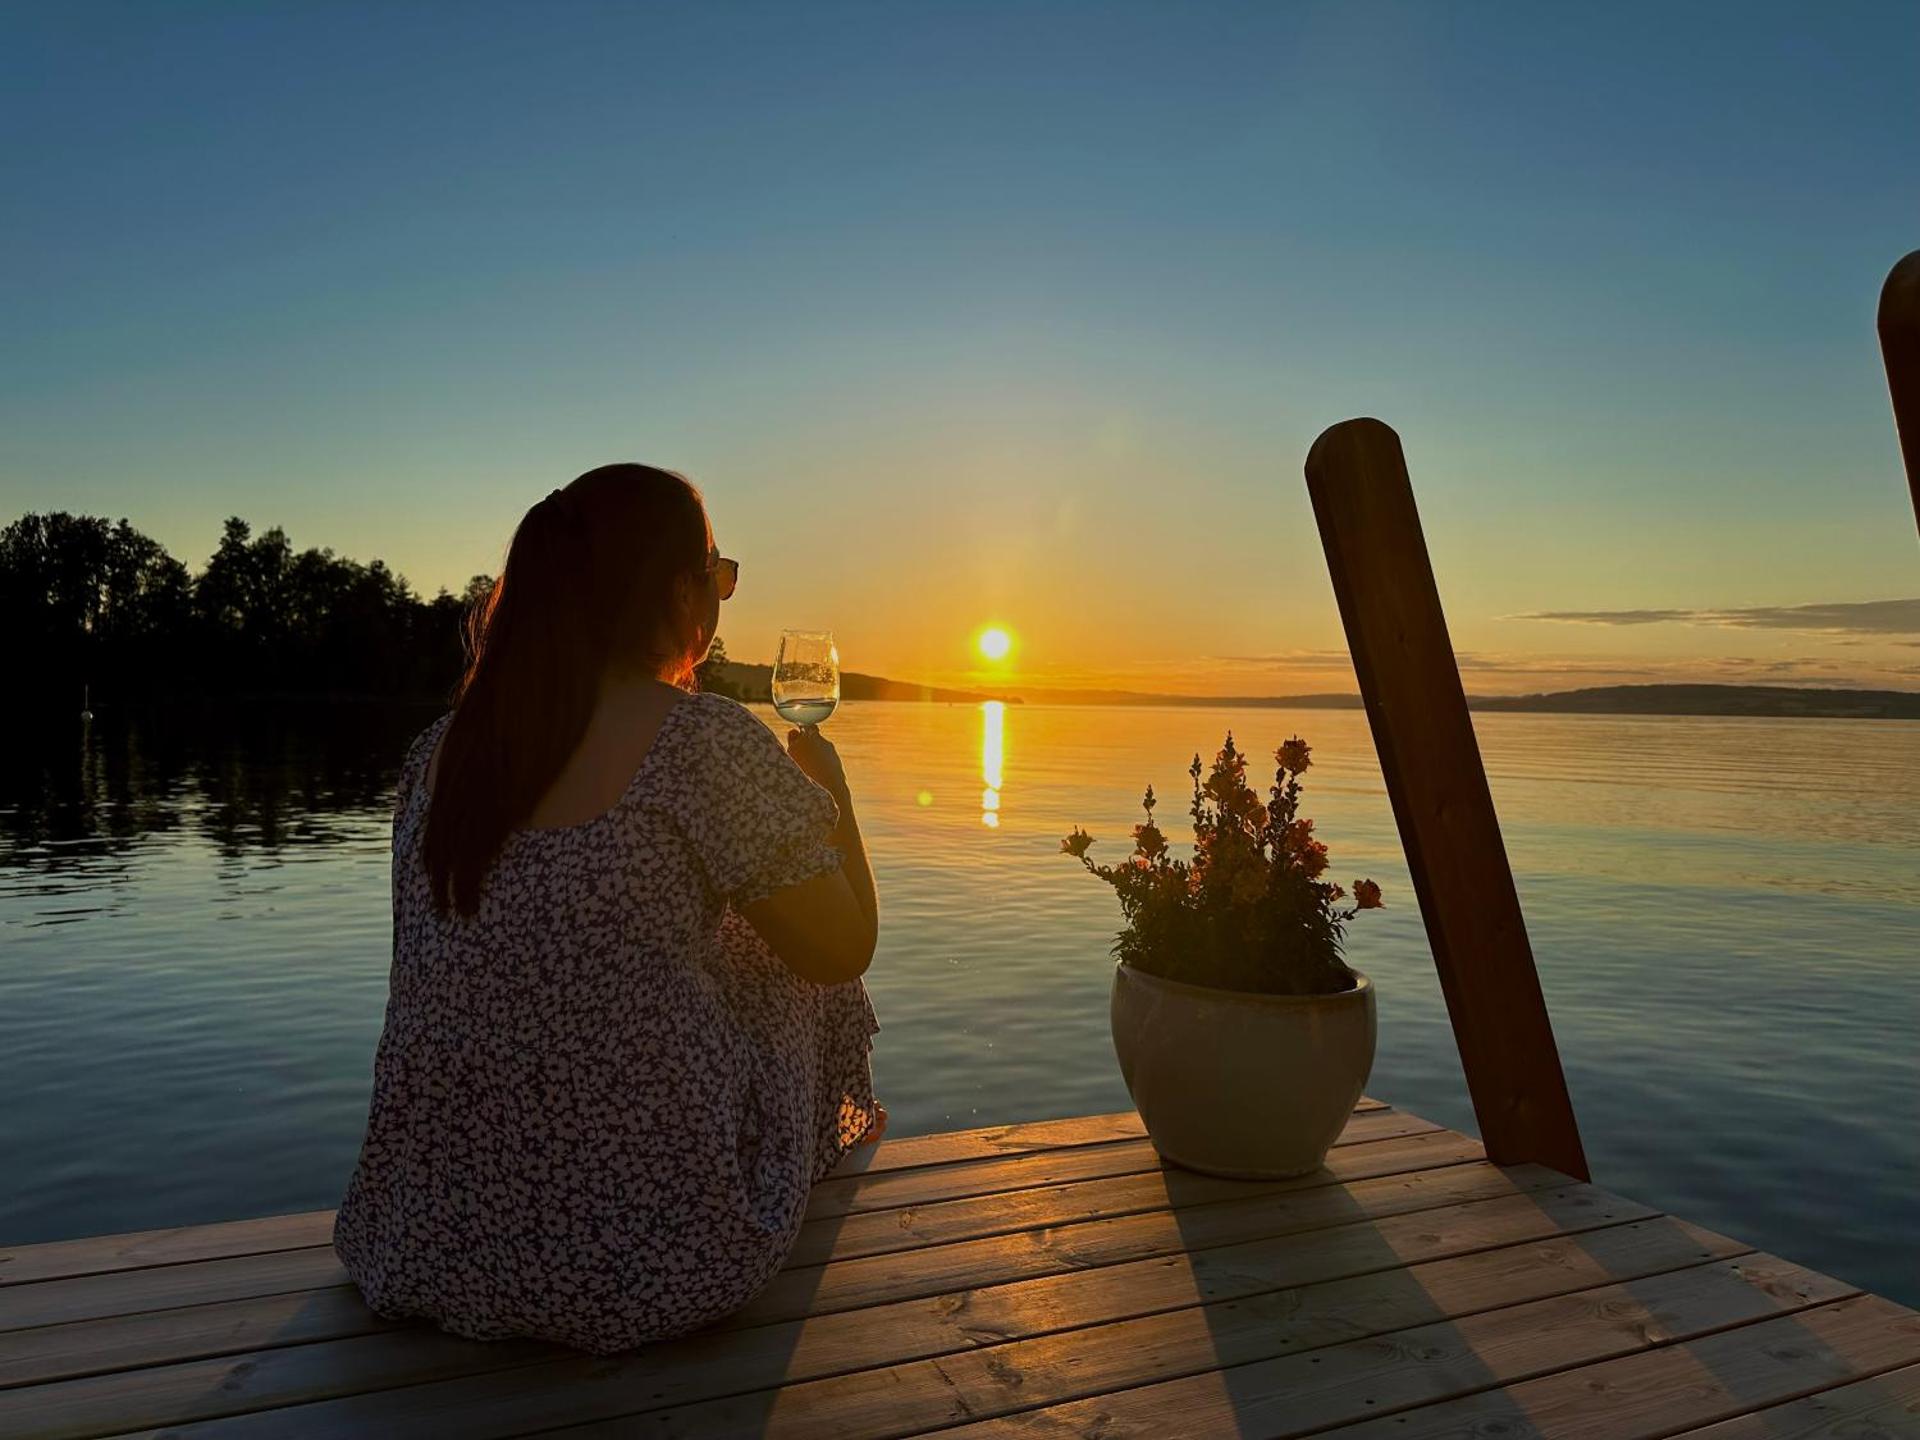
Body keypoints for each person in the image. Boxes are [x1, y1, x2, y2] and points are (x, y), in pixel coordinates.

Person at [333, 463, 881, 1353]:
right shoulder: (698, 739)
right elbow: (845, 946)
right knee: (796, 963)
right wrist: (833, 798)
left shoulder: (440, 752)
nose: (724, 594)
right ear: (678, 592)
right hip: (641, 1266)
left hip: (421, 1246)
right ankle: (782, 1178)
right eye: (720, 573)